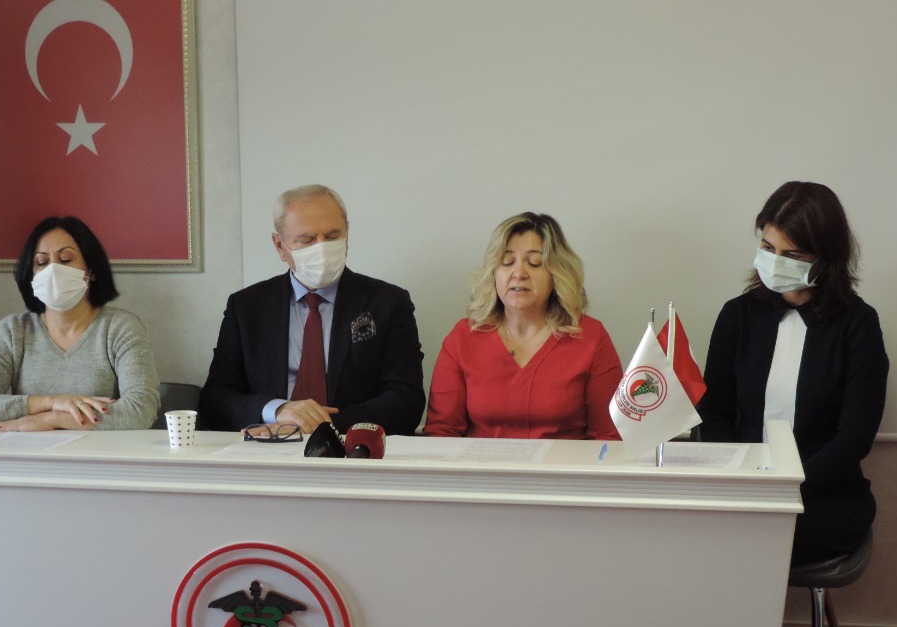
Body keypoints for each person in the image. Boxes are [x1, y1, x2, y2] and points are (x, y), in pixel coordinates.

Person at [698, 181, 889, 627]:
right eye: (767, 247)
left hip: (824, 498)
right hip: (745, 490)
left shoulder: (858, 325)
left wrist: (783, 483)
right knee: (688, 540)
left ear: (825, 259)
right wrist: (743, 477)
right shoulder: (737, 317)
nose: (774, 262)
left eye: (792, 254)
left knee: (737, 547)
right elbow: (715, 413)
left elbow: (853, 440)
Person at [199, 184, 425, 436]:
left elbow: (407, 399)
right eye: (307, 240)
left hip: (351, 448)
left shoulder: (387, 302)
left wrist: (323, 425)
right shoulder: (246, 307)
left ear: (347, 234)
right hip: (265, 446)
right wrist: (277, 411)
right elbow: (215, 400)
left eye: (332, 236)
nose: (322, 248)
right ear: (279, 246)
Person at [425, 212, 622, 440]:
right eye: (507, 262)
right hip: (482, 464)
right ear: (493, 274)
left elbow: (608, 436)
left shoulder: (591, 338)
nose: (519, 273)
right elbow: (441, 433)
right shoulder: (462, 338)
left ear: (556, 275)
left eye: (535, 263)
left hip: (564, 464)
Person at [0, 216, 159, 431]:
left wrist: (51, 419)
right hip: (27, 452)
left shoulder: (120, 328)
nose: (53, 270)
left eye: (65, 259)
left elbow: (141, 410)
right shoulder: (13, 331)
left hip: (100, 452)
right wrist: (51, 402)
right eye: (42, 262)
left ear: (90, 270)